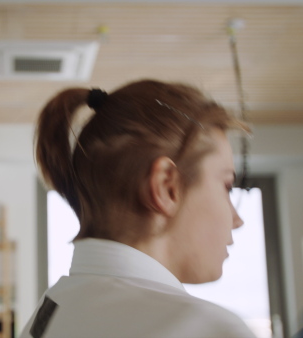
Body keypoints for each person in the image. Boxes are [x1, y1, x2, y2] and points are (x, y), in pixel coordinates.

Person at [20, 79, 256, 338]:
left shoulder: (44, 317)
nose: (237, 219)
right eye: (227, 186)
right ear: (167, 186)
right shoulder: (209, 330)